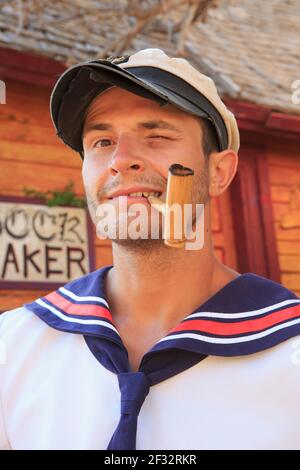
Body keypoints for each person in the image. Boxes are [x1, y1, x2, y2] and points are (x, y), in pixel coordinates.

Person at [0, 48, 299, 451]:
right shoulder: (12, 346)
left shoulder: (290, 350)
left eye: (156, 137)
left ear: (218, 171)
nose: (120, 161)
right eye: (102, 141)